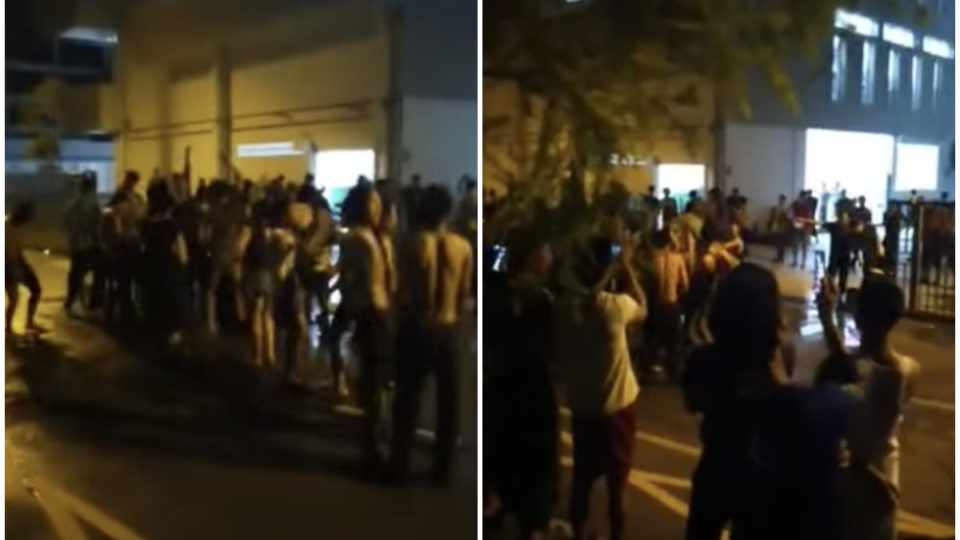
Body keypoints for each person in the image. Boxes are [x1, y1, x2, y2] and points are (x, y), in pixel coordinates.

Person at [683, 264, 847, 540]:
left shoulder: (705, 361)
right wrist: (827, 319)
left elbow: (692, 402)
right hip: (761, 479)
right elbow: (840, 382)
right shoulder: (782, 361)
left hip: (717, 466)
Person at [556, 237, 647, 540]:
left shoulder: (564, 309)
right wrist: (626, 270)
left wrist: (608, 272)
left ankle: (579, 532)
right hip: (617, 408)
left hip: (583, 408)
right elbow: (643, 308)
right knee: (617, 487)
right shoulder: (614, 307)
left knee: (582, 481)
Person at [815, 276, 919, 540]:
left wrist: (827, 318)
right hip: (887, 476)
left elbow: (849, 368)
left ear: (861, 316)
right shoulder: (909, 370)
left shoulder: (854, 370)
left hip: (857, 481)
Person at [390, 184, 473, 485]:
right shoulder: (463, 247)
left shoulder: (413, 244)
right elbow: (465, 293)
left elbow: (401, 291)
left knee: (408, 400)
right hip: (448, 329)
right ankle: (443, 470)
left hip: (417, 327)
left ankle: (399, 466)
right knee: (448, 404)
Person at [484, 228, 558, 539]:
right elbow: (549, 349)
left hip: (501, 389)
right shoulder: (540, 299)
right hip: (533, 393)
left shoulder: (497, 292)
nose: (551, 257)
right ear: (534, 259)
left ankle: (500, 503)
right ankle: (534, 523)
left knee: (504, 454)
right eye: (546, 251)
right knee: (537, 464)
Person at [339, 182, 395, 472]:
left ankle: (376, 443)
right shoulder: (358, 240)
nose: (378, 209)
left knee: (380, 383)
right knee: (374, 384)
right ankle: (372, 449)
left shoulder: (374, 238)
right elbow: (353, 283)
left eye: (378, 203)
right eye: (372, 204)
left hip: (380, 314)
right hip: (373, 315)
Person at [651, 228, 689, 379]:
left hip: (658, 305)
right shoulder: (677, 259)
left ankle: (652, 367)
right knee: (675, 340)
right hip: (672, 303)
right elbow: (685, 284)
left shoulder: (654, 258)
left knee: (654, 337)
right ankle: (673, 371)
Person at [63, 175, 104, 315]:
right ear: (93, 187)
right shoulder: (93, 204)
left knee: (75, 274)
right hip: (90, 244)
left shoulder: (71, 204)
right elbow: (97, 226)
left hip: (76, 244)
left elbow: (66, 224)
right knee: (99, 271)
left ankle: (69, 300)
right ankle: (95, 301)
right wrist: (99, 242)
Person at [6, 202, 46, 335]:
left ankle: (29, 322)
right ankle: (8, 327)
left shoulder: (20, 227)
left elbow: (18, 249)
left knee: (36, 289)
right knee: (14, 298)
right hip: (7, 263)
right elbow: (9, 253)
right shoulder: (6, 227)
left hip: (17, 259)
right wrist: (15, 270)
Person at [791, 191, 816, 269]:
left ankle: (800, 262)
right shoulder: (797, 204)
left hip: (803, 226)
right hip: (800, 226)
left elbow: (810, 216)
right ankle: (799, 262)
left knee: (800, 244)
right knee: (797, 244)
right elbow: (810, 216)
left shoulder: (799, 204)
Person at [769, 194, 792, 263]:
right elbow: (774, 217)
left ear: (784, 201)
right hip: (777, 227)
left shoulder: (786, 209)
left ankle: (781, 258)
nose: (780, 201)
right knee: (778, 243)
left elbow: (787, 219)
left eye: (782, 200)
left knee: (781, 244)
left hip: (782, 228)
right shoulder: (777, 208)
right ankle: (779, 257)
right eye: (780, 199)